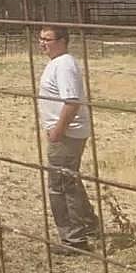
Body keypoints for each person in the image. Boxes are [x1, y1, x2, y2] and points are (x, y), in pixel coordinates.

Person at [38, 25, 100, 254]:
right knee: (69, 180)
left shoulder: (64, 65)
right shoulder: (57, 63)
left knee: (60, 186)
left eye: (47, 39)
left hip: (66, 135)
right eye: (40, 38)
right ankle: (89, 225)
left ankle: (74, 240)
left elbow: (72, 102)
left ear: (63, 41)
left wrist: (58, 130)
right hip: (66, 133)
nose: (42, 43)